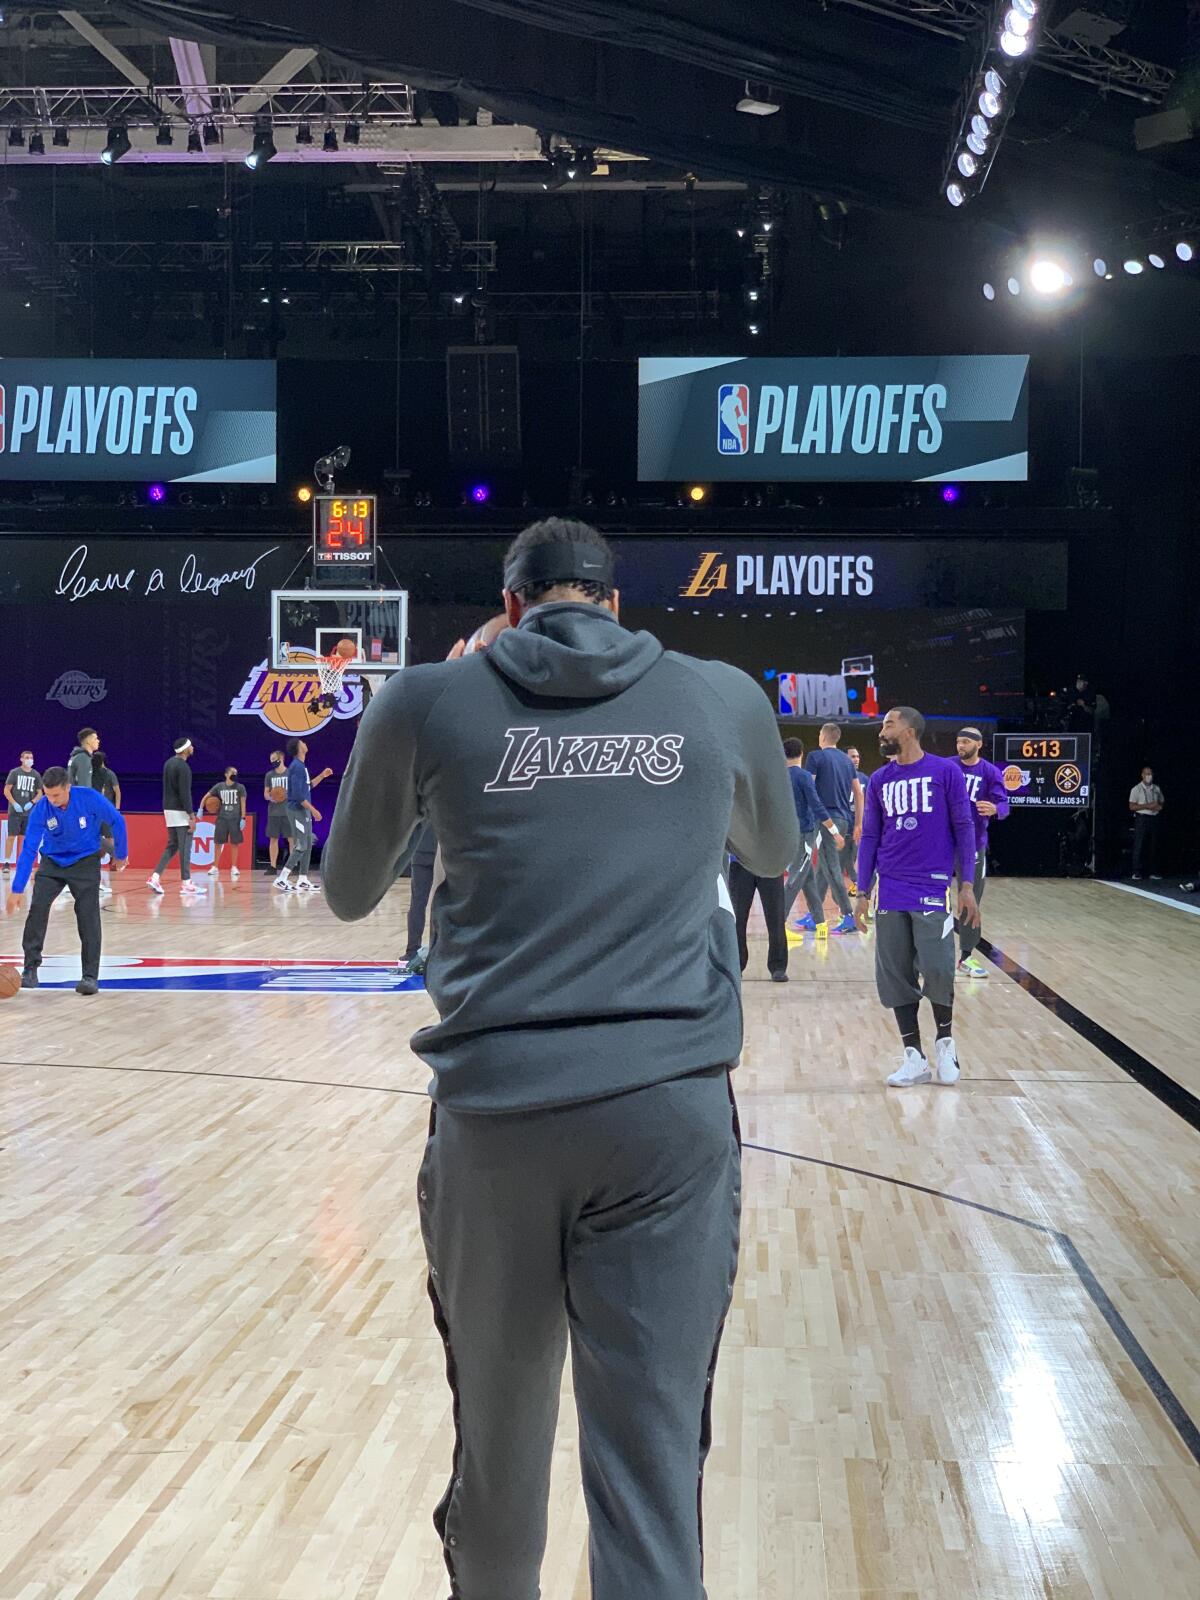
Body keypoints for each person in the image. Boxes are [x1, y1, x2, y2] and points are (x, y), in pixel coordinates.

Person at [323, 516, 796, 1600]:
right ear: (615, 602)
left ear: (509, 608)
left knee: (499, 1462)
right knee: (648, 1471)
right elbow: (772, 851)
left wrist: (432, 727)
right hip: (668, 1125)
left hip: (496, 1128)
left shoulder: (427, 700)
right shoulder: (720, 695)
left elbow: (350, 890)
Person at [855, 706, 979, 1088]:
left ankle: (945, 1043)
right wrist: (862, 891)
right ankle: (914, 1055)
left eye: (888, 723)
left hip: (930, 885)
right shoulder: (879, 780)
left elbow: (963, 825)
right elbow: (871, 837)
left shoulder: (945, 772)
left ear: (909, 730)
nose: (882, 729)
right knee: (895, 974)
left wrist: (967, 885)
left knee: (939, 968)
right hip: (890, 887)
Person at [6, 764, 127, 995]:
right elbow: (29, 848)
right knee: (38, 910)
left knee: (88, 915)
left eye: (57, 795)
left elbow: (117, 821)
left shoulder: (89, 798)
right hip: (52, 862)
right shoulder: (42, 808)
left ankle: (90, 976)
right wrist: (17, 887)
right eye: (48, 794)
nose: (52, 799)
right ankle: (30, 970)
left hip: (84, 861)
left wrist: (121, 854)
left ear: (68, 788)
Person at [953, 726, 1008, 978]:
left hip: (973, 844)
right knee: (928, 897)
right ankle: (923, 956)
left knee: (970, 899)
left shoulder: (990, 772)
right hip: (940, 843)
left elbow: (1005, 803)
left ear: (979, 744)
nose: (960, 746)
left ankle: (966, 957)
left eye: (965, 742)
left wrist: (996, 809)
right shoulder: (947, 766)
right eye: (958, 742)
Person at [805, 721, 863, 934]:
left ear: (823, 736)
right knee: (822, 867)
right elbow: (858, 793)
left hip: (824, 820)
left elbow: (808, 790)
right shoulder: (847, 762)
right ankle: (815, 914)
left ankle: (848, 916)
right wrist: (858, 823)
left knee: (830, 868)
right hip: (844, 819)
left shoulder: (815, 757)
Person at [782, 737, 843, 932]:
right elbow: (816, 805)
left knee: (807, 880)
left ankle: (820, 923)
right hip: (803, 834)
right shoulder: (804, 776)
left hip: (787, 834)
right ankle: (779, 925)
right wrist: (834, 831)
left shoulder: (780, 777)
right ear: (801, 753)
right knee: (793, 880)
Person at [147, 737, 204, 898]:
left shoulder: (168, 763)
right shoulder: (184, 767)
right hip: (180, 811)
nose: (193, 747)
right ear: (185, 749)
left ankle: (155, 877)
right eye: (190, 745)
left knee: (172, 846)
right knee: (185, 847)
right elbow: (185, 793)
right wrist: (191, 815)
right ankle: (186, 883)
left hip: (168, 809)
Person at [274, 739, 331, 893]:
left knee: (308, 842)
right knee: (301, 845)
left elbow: (307, 787)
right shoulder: (297, 767)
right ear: (299, 748)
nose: (306, 743)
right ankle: (282, 879)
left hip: (302, 811)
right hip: (297, 811)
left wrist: (322, 776)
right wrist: (314, 810)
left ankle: (303, 879)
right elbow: (299, 796)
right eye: (302, 742)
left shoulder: (301, 766)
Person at [205, 765, 247, 880]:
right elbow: (207, 796)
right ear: (226, 774)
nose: (234, 775)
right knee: (218, 843)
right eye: (232, 773)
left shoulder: (240, 787)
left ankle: (234, 867)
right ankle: (215, 867)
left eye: (236, 773)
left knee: (234, 843)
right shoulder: (219, 786)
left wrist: (243, 818)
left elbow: (243, 803)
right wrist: (200, 807)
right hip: (222, 819)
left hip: (235, 819)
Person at [4, 750, 43, 871]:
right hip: (15, 812)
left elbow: (40, 793)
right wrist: (14, 803)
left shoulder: (36, 774)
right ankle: (6, 862)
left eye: (31, 757)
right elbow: (6, 790)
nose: (29, 760)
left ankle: (21, 863)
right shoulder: (15, 772)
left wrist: (31, 802)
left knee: (24, 838)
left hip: (29, 812)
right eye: (27, 757)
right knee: (11, 837)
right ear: (21, 759)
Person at [90, 751, 121, 897]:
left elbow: (117, 791)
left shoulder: (109, 774)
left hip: (107, 810)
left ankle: (113, 862)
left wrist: (117, 808)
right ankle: (100, 861)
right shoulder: (91, 773)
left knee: (109, 836)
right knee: (97, 838)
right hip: (94, 812)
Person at [1129, 765, 1164, 880]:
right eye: (1147, 774)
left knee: (1153, 845)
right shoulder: (1136, 789)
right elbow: (1132, 806)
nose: (1149, 776)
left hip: (1154, 818)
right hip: (1142, 818)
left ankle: (1153, 871)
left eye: (1151, 774)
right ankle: (1137, 871)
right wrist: (1147, 806)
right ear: (1142, 775)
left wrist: (1158, 807)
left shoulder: (1156, 789)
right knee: (1139, 845)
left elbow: (1161, 802)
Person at [264, 750, 292, 874]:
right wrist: (272, 797)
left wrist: (285, 795)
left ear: (281, 758)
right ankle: (273, 866)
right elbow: (265, 794)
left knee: (292, 839)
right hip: (273, 812)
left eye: (274, 759)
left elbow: (296, 791)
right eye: (271, 760)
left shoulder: (290, 773)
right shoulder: (269, 775)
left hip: (289, 812)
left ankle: (291, 866)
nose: (272, 762)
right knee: (273, 839)